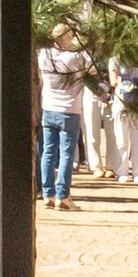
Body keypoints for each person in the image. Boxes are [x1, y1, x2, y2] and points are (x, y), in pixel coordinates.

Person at [37, 20, 89, 207]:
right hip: (69, 109)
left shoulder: (43, 54)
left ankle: (47, 192)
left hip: (49, 107)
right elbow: (90, 68)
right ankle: (63, 195)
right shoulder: (75, 57)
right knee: (67, 154)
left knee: (48, 152)